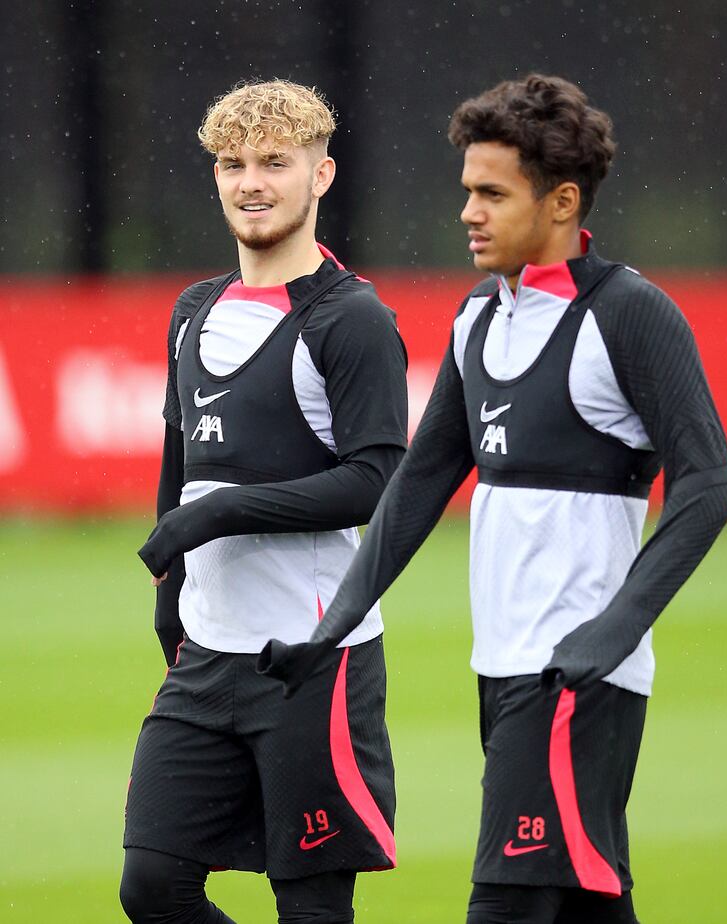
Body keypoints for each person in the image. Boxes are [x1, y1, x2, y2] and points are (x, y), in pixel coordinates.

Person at [258, 73, 727, 924]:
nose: (468, 212)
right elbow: (421, 479)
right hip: (504, 671)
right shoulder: (479, 315)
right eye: (466, 190)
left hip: (573, 682)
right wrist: (331, 628)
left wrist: (614, 627)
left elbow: (709, 485)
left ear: (560, 202)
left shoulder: (628, 314)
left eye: (490, 193)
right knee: (585, 903)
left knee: (504, 904)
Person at [120, 80, 408, 924]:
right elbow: (179, 459)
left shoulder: (352, 319)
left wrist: (218, 515)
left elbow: (375, 480)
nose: (251, 182)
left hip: (313, 662)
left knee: (310, 909)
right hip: (203, 661)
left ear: (320, 176)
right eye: (232, 163)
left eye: (275, 163)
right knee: (153, 884)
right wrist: (171, 594)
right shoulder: (193, 310)